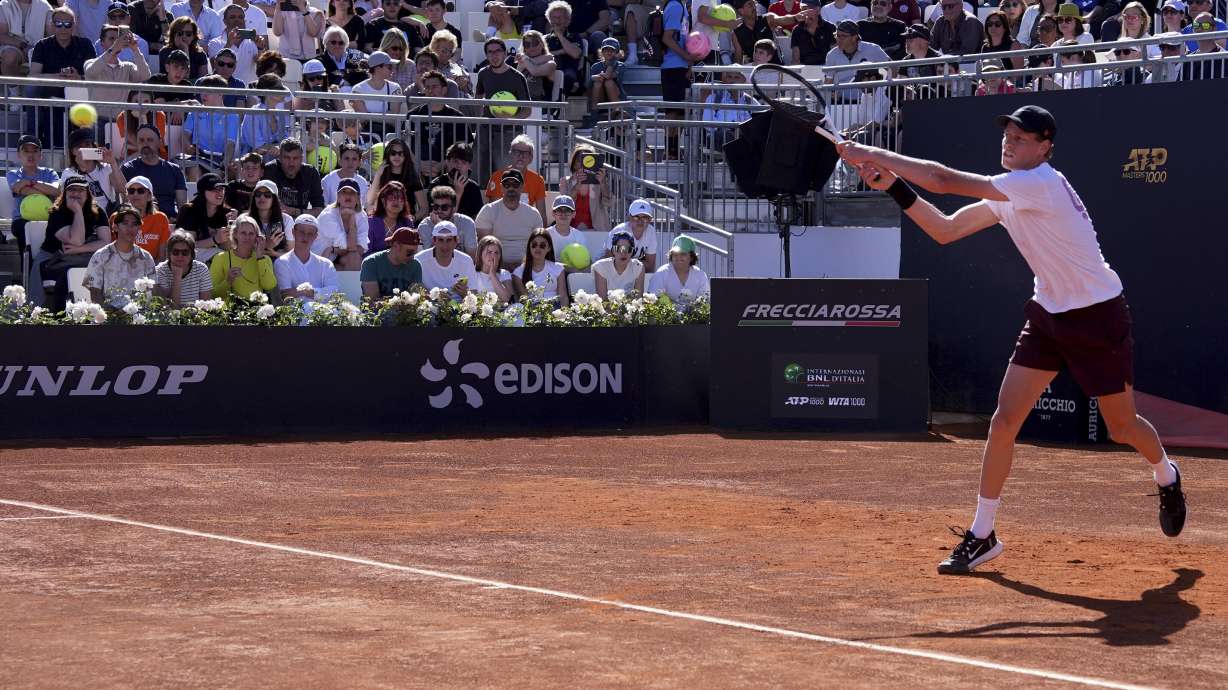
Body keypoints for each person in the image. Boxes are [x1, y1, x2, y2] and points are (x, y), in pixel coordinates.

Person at [838, 105, 1187, 574]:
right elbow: (946, 229)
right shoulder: (1008, 193)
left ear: (1044, 147)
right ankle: (983, 535)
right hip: (1048, 313)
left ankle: (1166, 473)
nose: (1009, 142)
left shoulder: (1038, 183)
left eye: (1021, 138)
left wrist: (869, 151)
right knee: (1004, 422)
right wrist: (895, 187)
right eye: (1008, 134)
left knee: (1121, 428)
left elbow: (941, 180)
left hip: (1097, 315)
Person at [36, 176, 112, 309]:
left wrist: (79, 250)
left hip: (82, 258)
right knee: (36, 301)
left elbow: (105, 242)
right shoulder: (57, 212)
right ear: (64, 193)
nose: (76, 193)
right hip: (52, 258)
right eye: (71, 190)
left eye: (80, 190)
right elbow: (76, 240)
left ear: (87, 193)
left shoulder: (98, 211)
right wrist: (77, 211)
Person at [82, 204, 157, 306]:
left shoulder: (146, 258)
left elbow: (153, 291)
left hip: (139, 316)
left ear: (139, 228)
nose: (130, 228)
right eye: (125, 223)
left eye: (134, 224)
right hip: (110, 316)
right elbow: (94, 293)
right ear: (115, 227)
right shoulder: (100, 256)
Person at [475, 168, 544, 268]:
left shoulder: (533, 214)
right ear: (501, 187)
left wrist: (524, 267)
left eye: (515, 185)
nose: (511, 188)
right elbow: (485, 246)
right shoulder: (488, 210)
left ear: (522, 187)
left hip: (527, 267)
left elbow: (539, 245)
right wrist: (501, 267)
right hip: (496, 267)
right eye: (507, 185)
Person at [407, 70, 467, 178]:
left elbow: (462, 148)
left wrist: (441, 165)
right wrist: (419, 164)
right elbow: (404, 144)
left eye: (434, 87)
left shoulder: (457, 117)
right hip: (416, 170)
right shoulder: (412, 115)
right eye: (427, 87)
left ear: (444, 90)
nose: (430, 90)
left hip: (448, 171)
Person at [84, 25, 152, 121]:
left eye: (118, 39)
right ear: (102, 43)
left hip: (121, 121)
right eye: (111, 39)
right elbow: (91, 72)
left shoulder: (128, 66)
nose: (116, 42)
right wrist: (113, 48)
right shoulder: (90, 63)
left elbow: (145, 75)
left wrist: (135, 49)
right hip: (97, 120)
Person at [121, 124, 189, 221]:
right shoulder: (128, 169)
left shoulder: (174, 170)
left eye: (150, 140)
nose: (145, 144)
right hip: (138, 223)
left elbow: (182, 205)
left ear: (160, 143)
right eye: (141, 140)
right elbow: (125, 200)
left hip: (169, 222)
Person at [181, 74, 241, 179]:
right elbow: (184, 135)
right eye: (202, 91)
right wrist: (188, 146)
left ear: (220, 93)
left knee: (214, 177)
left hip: (218, 160)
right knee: (194, 171)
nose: (203, 95)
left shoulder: (232, 115)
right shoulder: (195, 111)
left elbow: (230, 144)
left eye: (208, 92)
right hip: (197, 157)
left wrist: (225, 162)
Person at [6, 135, 60, 249]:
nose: (30, 155)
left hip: (48, 218)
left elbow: (55, 191)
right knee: (25, 231)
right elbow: (17, 188)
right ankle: (27, 266)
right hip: (22, 219)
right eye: (26, 151)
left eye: (35, 151)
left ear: (40, 155)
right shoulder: (13, 174)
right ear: (19, 155)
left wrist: (30, 182)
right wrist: (45, 191)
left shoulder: (50, 173)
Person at [209, 213, 278, 302]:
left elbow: (269, 286)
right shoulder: (220, 258)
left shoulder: (264, 259)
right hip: (231, 313)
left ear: (257, 237)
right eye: (243, 233)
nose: (247, 237)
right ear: (235, 234)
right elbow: (212, 294)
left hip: (257, 311)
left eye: (251, 234)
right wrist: (228, 281)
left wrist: (260, 258)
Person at [484, 134, 550, 222]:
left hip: (526, 226)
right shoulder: (497, 177)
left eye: (525, 153)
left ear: (531, 158)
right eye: (517, 152)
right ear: (510, 154)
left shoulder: (538, 180)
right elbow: (492, 213)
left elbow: (542, 215)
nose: (521, 156)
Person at [275, 214, 340, 301]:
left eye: (310, 233)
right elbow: (286, 295)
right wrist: (319, 293)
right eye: (301, 232)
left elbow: (334, 292)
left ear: (315, 236)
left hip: (324, 313)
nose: (305, 237)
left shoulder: (326, 264)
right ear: (293, 232)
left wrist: (308, 291)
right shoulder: (282, 262)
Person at [63, 128, 127, 213]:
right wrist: (82, 168)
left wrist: (113, 163)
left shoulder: (106, 168)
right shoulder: (68, 173)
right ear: (73, 152)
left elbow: (123, 189)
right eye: (79, 146)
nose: (84, 149)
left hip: (106, 216)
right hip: (81, 216)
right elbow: (71, 198)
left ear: (93, 146)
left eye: (87, 144)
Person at [175, 173, 235, 262]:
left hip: (218, 256)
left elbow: (228, 248)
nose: (220, 193)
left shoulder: (227, 213)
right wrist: (215, 239)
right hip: (190, 256)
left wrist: (231, 227)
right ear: (203, 192)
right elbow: (186, 245)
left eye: (221, 189)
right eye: (214, 189)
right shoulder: (189, 210)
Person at [263, 138, 326, 217]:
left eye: (295, 158)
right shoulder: (270, 170)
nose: (291, 163)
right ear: (280, 158)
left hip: (301, 221)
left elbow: (319, 210)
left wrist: (293, 211)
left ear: (302, 158)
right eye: (287, 158)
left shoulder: (311, 173)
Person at [315, 178, 369, 269]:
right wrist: (338, 249)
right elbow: (350, 247)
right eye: (344, 192)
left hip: (335, 256)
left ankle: (350, 284)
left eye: (352, 193)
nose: (348, 195)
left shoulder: (361, 215)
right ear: (338, 197)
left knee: (354, 257)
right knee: (353, 256)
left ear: (358, 198)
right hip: (319, 260)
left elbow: (360, 249)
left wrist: (352, 217)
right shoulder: (327, 215)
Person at [367, 137, 427, 217]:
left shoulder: (412, 176)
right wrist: (378, 174)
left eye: (400, 153)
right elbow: (369, 201)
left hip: (405, 220)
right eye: (393, 153)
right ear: (388, 154)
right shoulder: (381, 174)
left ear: (405, 156)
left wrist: (414, 218)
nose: (397, 156)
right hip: (384, 219)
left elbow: (424, 207)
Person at [415, 219, 477, 296]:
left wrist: (466, 293)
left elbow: (474, 291)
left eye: (449, 240)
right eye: (440, 240)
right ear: (434, 241)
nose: (445, 245)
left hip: (459, 306)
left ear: (456, 241)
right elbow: (414, 289)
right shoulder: (419, 260)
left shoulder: (466, 261)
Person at [824, 21, 891, 91]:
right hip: (842, 100)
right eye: (837, 36)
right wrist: (831, 93)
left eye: (843, 36)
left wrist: (884, 90)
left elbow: (892, 68)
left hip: (868, 99)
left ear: (854, 37)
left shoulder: (873, 49)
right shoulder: (832, 54)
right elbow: (828, 81)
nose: (838, 39)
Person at [732, 0, 805, 64]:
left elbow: (782, 19)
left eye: (754, 4)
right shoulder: (737, 33)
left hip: (776, 68)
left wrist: (795, 17)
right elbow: (738, 59)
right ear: (741, 11)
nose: (754, 7)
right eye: (750, 5)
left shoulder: (767, 19)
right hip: (754, 71)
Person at [360, 225, 423, 299]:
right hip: (376, 310)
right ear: (396, 246)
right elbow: (372, 300)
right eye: (409, 252)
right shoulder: (371, 263)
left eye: (414, 253)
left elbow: (414, 298)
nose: (412, 257)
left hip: (404, 310)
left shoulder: (415, 265)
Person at [558, 145, 612, 232]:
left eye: (588, 160)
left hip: (597, 231)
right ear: (574, 163)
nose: (583, 164)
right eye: (580, 160)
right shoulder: (565, 182)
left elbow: (609, 203)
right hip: (571, 230)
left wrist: (603, 183)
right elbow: (564, 205)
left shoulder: (600, 182)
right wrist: (577, 185)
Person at [154, 229, 213, 305]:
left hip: (196, 315)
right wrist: (177, 277)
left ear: (192, 254)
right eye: (176, 252)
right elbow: (170, 309)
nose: (180, 256)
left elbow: (205, 306)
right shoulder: (160, 271)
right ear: (169, 253)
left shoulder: (201, 269)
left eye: (185, 252)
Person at [239, 74, 294, 156]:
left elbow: (286, 141)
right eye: (279, 88)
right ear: (267, 92)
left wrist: (280, 148)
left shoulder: (281, 114)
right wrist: (278, 147)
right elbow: (258, 146)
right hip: (253, 163)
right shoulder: (253, 113)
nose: (284, 90)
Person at [512, 228, 569, 304]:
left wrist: (563, 314)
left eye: (542, 245)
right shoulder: (518, 273)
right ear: (529, 246)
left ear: (549, 248)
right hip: (534, 311)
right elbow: (525, 301)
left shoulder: (558, 269)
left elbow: (563, 297)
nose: (537, 248)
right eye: (534, 245)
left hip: (555, 310)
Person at [427, 142, 484, 219]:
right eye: (455, 161)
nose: (458, 166)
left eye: (463, 162)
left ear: (469, 166)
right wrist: (458, 192)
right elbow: (439, 217)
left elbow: (478, 217)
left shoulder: (473, 187)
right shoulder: (436, 185)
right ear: (447, 162)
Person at [208, 4, 261, 85]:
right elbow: (214, 67)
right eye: (232, 17)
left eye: (240, 17)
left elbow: (261, 67)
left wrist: (260, 48)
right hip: (224, 91)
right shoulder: (214, 43)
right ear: (224, 21)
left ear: (244, 21)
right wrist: (229, 44)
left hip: (249, 93)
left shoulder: (254, 42)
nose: (237, 20)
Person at [0, 0, 52, 79]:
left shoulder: (44, 6)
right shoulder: (4, 5)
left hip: (37, 48)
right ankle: (15, 90)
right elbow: (2, 36)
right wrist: (23, 45)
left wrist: (37, 49)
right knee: (9, 57)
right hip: (12, 46)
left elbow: (51, 35)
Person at [124, 175, 172, 260]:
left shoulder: (161, 219)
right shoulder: (117, 218)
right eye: (131, 191)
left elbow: (162, 257)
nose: (135, 194)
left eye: (140, 191)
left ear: (149, 196)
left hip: (152, 269)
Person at [418, 185, 478, 253]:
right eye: (436, 207)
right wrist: (439, 227)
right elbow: (428, 257)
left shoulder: (467, 223)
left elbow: (472, 256)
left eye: (444, 207)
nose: (439, 211)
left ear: (454, 208)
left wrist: (443, 227)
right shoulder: (425, 225)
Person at [649, 235, 709, 301]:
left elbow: (705, 302)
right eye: (675, 254)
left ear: (692, 257)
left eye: (683, 254)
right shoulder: (661, 273)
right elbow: (653, 300)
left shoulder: (701, 275)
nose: (678, 257)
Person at [603, 198, 657, 271]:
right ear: (629, 217)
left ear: (650, 219)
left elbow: (650, 266)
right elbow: (609, 261)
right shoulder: (619, 230)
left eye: (645, 217)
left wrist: (627, 262)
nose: (640, 221)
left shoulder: (651, 231)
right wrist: (635, 264)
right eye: (636, 217)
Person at [247, 178, 294, 258]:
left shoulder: (286, 220)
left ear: (274, 199)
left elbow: (291, 253)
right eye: (258, 194)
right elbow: (242, 249)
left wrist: (274, 253)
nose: (262, 197)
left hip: (278, 263)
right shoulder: (246, 219)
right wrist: (267, 245)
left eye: (267, 195)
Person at [591, 228, 643, 296]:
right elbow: (603, 301)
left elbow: (638, 299)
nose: (623, 253)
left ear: (633, 252)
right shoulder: (600, 267)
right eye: (618, 248)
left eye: (628, 249)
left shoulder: (638, 267)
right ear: (613, 251)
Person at [366, 181, 412, 255]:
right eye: (392, 197)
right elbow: (366, 252)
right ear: (383, 200)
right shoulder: (371, 222)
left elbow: (409, 252)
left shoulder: (407, 223)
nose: (397, 201)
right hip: (375, 263)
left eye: (401, 198)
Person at [586, 37, 625, 122]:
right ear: (602, 52)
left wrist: (614, 61)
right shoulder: (595, 66)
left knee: (609, 83)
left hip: (616, 97)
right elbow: (588, 84)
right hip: (600, 97)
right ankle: (594, 114)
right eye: (606, 50)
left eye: (612, 50)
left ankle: (616, 111)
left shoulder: (620, 65)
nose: (609, 52)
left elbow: (608, 76)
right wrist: (594, 77)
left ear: (617, 52)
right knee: (597, 83)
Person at [543, 195, 590, 262]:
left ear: (574, 214)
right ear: (553, 213)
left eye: (567, 211)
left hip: (574, 272)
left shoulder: (579, 236)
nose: (563, 214)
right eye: (559, 210)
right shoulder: (546, 235)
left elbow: (587, 262)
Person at [1181, 13, 1228, 79]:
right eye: (1196, 25)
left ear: (1214, 29)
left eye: (1205, 25)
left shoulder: (1225, 58)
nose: (1199, 29)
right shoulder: (1187, 61)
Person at [518, 28, 559, 100]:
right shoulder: (520, 61)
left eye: (535, 43)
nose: (531, 47)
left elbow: (535, 71)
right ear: (524, 48)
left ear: (542, 44)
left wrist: (525, 60)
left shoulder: (550, 63)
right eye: (527, 45)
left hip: (539, 105)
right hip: (518, 101)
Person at [471, 234, 513, 303]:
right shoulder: (472, 273)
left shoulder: (504, 273)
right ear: (480, 254)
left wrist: (493, 274)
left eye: (496, 253)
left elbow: (508, 299)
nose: (493, 256)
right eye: (489, 252)